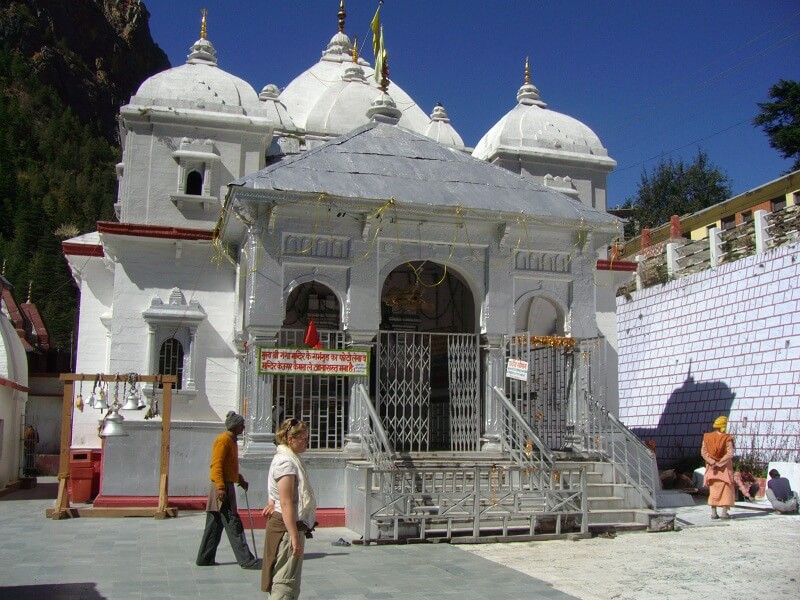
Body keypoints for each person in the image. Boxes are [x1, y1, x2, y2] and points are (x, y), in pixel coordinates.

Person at [196, 411, 260, 569]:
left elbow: (229, 467)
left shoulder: (231, 441)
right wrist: (220, 487)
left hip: (226, 484)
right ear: (236, 426)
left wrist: (240, 479)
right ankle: (246, 559)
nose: (243, 428)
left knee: (214, 525)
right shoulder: (223, 440)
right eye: (241, 425)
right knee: (233, 523)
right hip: (221, 488)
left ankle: (205, 558)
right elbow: (216, 465)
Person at [261, 418, 317, 598]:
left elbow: (275, 495)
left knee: (287, 580)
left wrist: (271, 503)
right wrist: (294, 536)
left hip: (287, 524)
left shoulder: (289, 459)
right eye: (304, 439)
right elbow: (286, 502)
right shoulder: (286, 462)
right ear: (291, 439)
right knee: (285, 584)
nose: (307, 442)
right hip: (286, 528)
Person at [700, 415, 735, 519]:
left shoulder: (706, 437)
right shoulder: (727, 438)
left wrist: (712, 462)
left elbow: (703, 452)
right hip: (724, 469)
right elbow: (730, 453)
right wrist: (720, 463)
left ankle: (714, 513)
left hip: (712, 469)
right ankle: (724, 513)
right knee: (726, 490)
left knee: (713, 490)